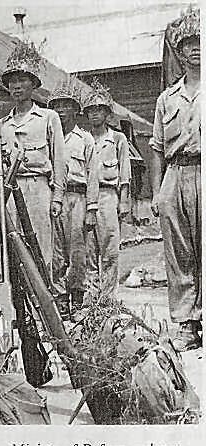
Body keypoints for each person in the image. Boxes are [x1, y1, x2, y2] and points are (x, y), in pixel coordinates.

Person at [150, 6, 201, 351]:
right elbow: (155, 147)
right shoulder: (167, 98)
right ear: (179, 52)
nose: (196, 48)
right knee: (178, 254)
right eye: (188, 44)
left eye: (201, 41)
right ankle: (187, 323)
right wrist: (156, 192)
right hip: (175, 173)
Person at [0, 41, 66, 277]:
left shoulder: (48, 117)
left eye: (22, 81)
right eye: (12, 82)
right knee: (12, 250)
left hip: (38, 188)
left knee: (41, 248)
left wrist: (57, 197)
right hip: (10, 192)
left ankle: (44, 307)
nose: (17, 87)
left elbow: (58, 161)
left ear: (33, 84)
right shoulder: (1, 125)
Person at [47, 80, 99, 319]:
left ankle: (76, 298)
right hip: (54, 197)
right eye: (56, 106)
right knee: (55, 252)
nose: (60, 110)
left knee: (77, 253)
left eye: (65, 105)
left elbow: (93, 175)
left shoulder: (85, 139)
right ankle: (60, 301)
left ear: (75, 110)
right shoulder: (49, 138)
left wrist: (92, 208)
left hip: (78, 198)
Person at [83, 79, 131, 301]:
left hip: (108, 196)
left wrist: (124, 200)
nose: (94, 115)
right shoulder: (83, 139)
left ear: (107, 113)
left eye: (99, 110)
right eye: (91, 111)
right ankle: (92, 298)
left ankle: (108, 298)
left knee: (110, 249)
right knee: (88, 250)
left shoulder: (117, 138)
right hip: (85, 197)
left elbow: (125, 172)